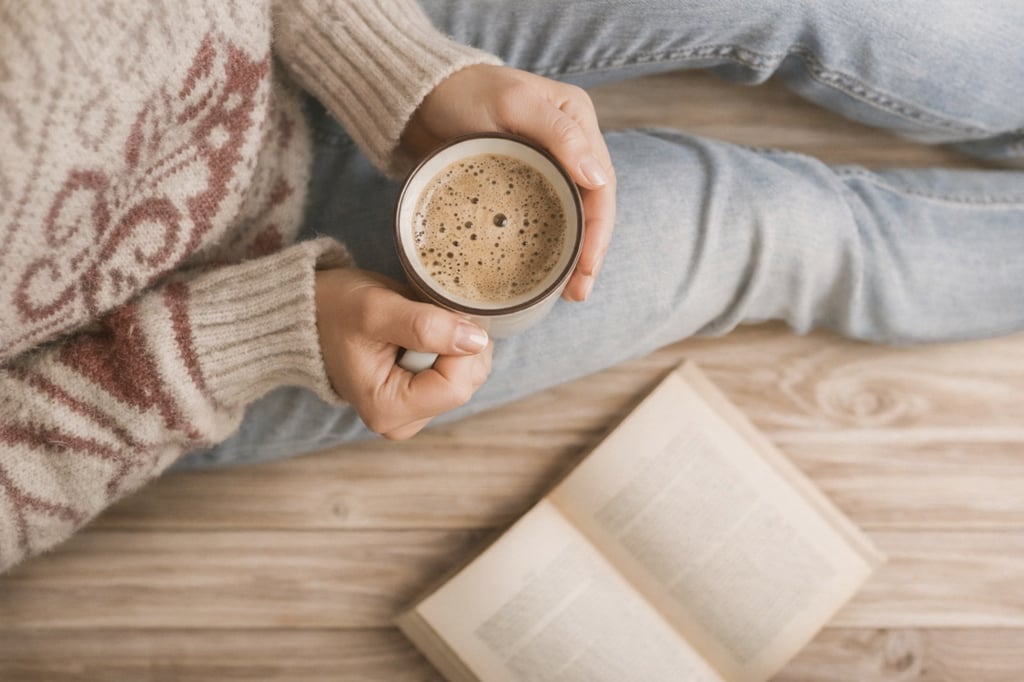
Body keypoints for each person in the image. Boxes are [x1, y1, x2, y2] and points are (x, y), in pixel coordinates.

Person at [1, 0, 1022, 573]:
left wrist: (383, 55)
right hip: (198, 328)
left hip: (299, 40)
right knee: (770, 227)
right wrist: (259, 334)